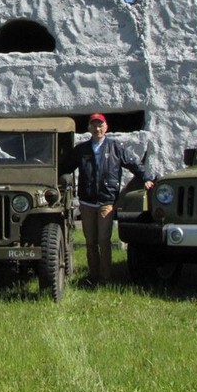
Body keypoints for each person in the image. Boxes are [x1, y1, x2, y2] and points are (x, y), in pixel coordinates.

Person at [69, 113, 154, 284]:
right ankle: (93, 277)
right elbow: (65, 166)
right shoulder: (81, 150)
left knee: (103, 240)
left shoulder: (116, 148)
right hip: (86, 203)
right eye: (94, 125)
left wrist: (147, 178)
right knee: (91, 242)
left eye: (100, 125)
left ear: (106, 127)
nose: (97, 128)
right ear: (89, 129)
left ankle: (105, 278)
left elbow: (134, 164)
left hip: (106, 202)